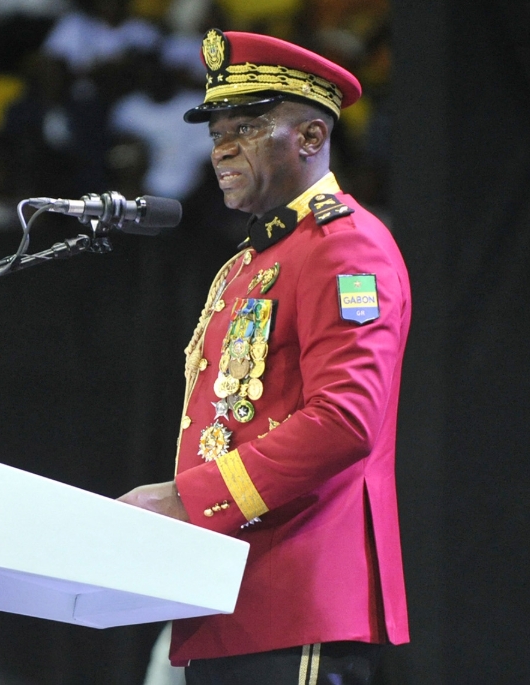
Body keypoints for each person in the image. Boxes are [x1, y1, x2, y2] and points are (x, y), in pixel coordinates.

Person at [118, 30, 410, 684]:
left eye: (246, 127)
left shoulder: (345, 246)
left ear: (310, 138)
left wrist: (189, 500)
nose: (222, 147)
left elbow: (344, 420)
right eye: (217, 130)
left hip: (296, 601)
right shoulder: (248, 263)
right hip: (227, 604)